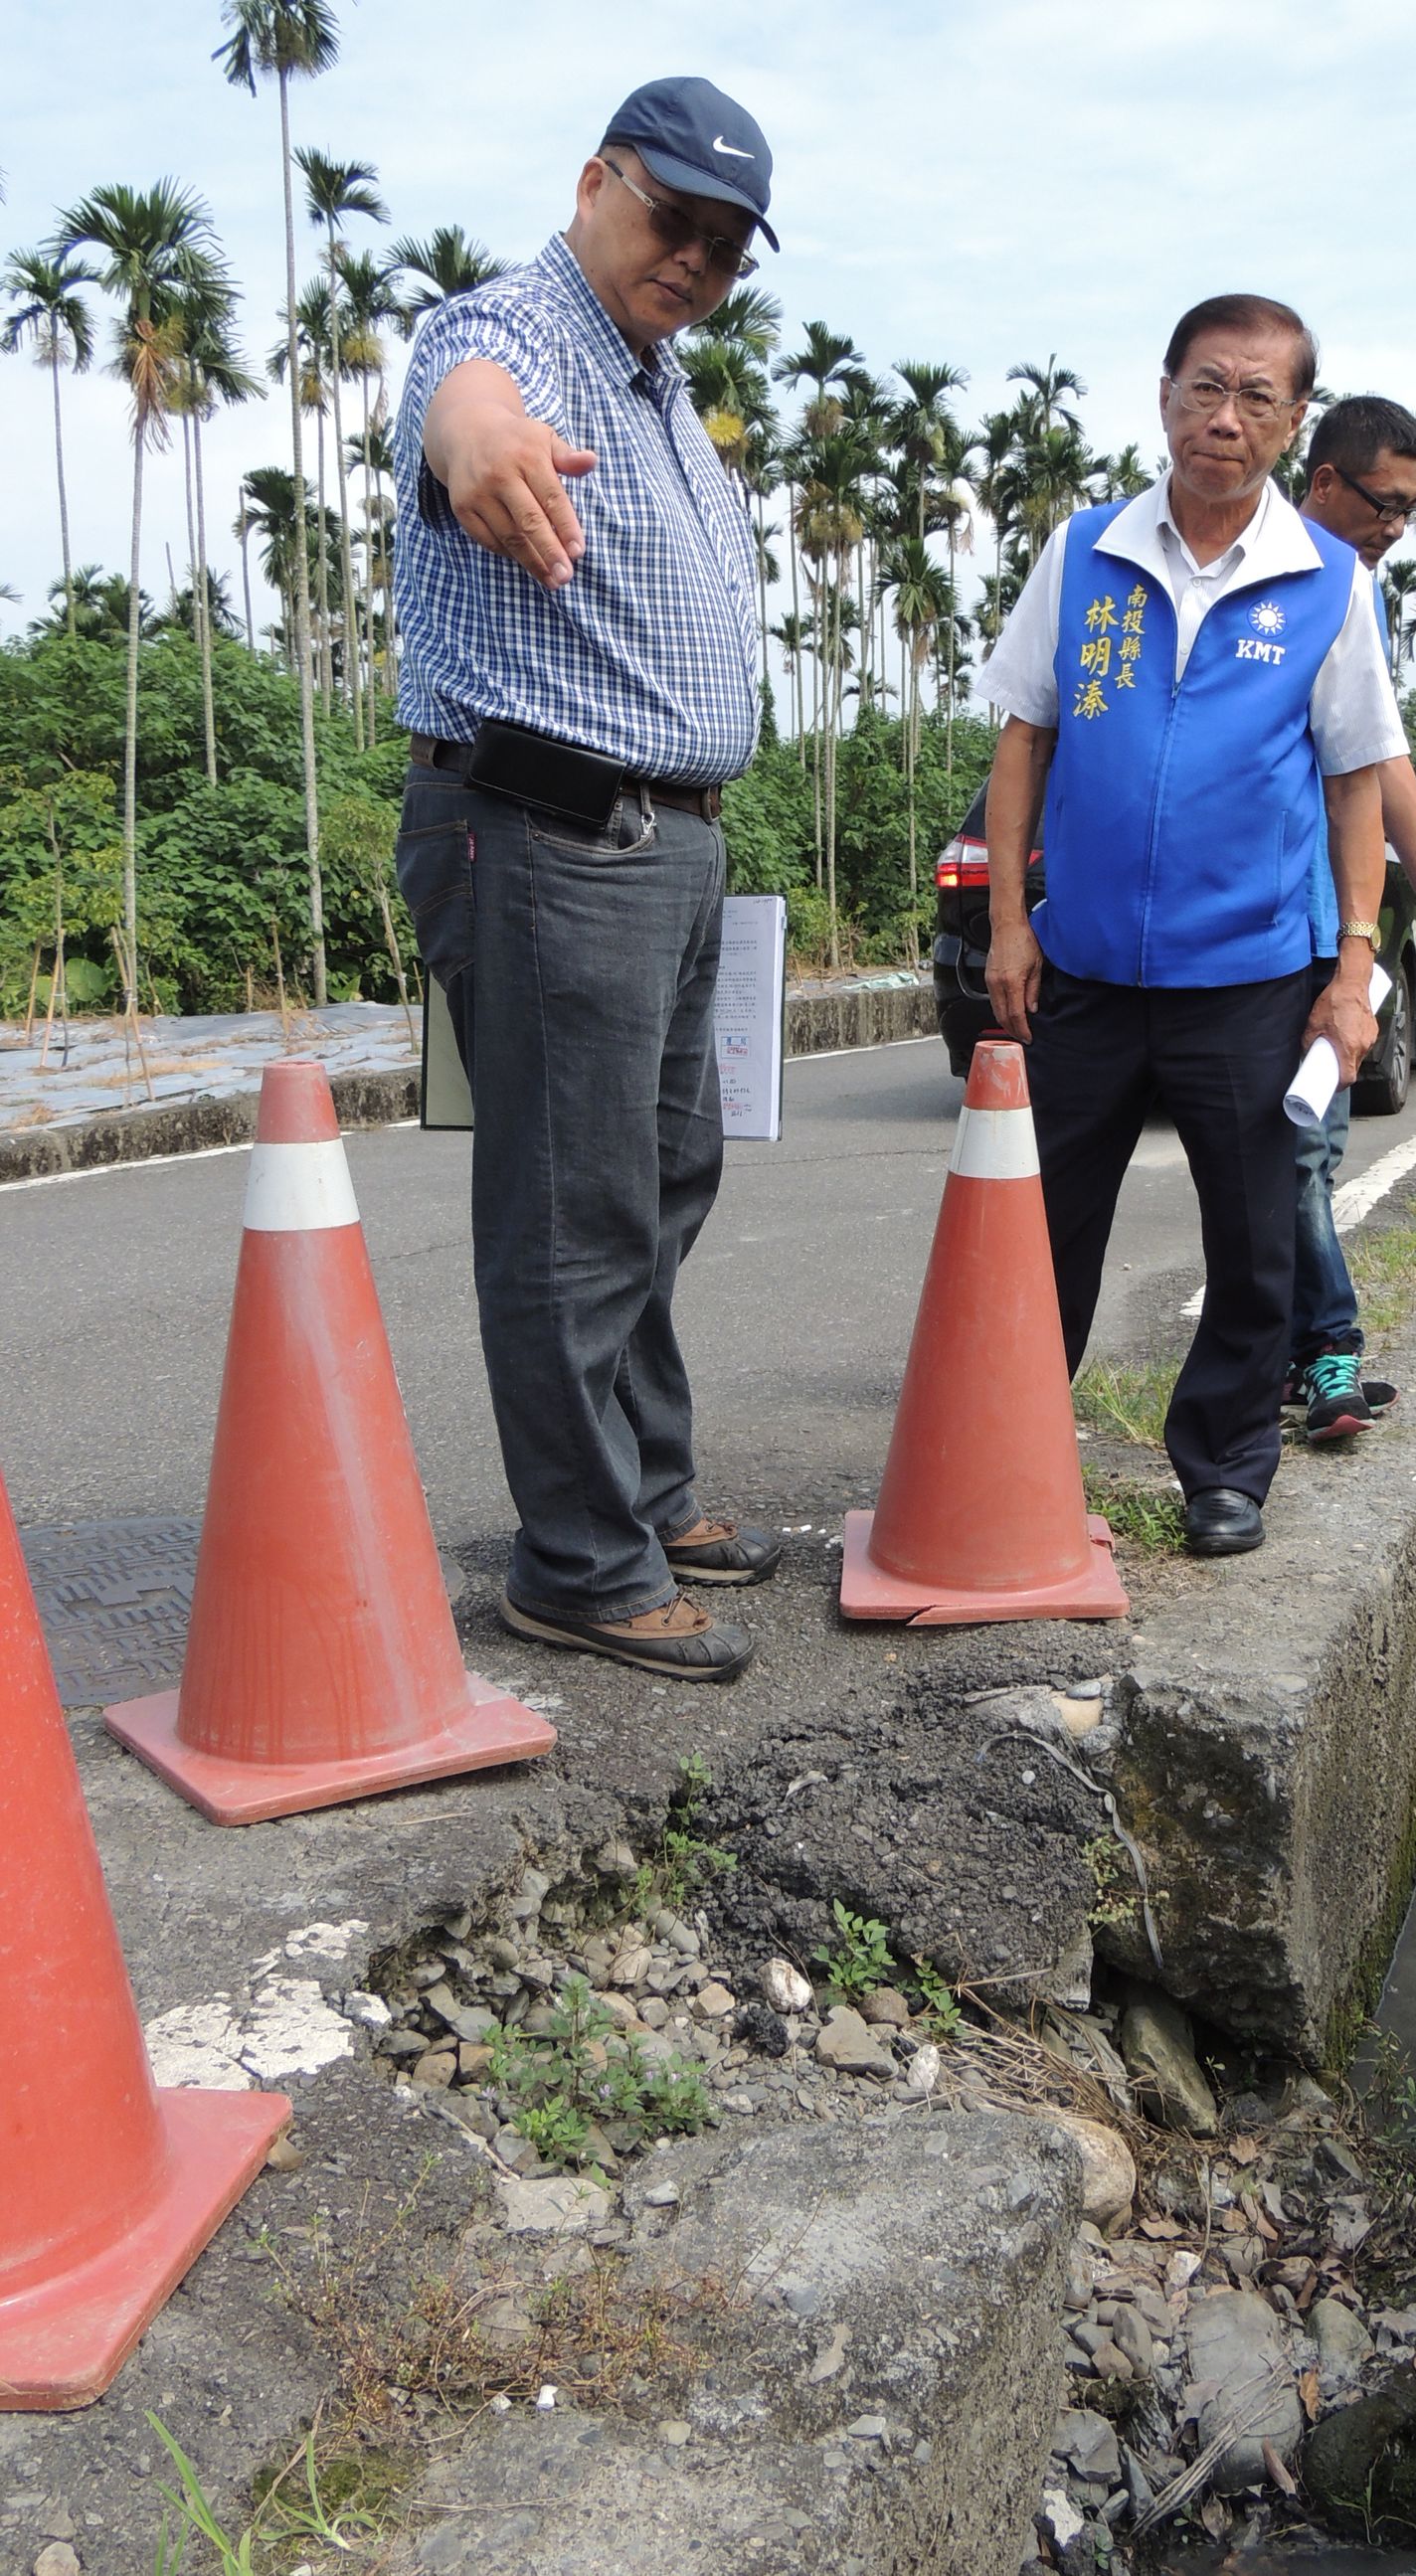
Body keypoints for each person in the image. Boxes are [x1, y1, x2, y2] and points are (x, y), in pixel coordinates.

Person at [390, 77, 782, 1681]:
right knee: (572, 1211)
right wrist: (476, 436)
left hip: (660, 839)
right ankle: (576, 1558)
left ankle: (647, 1488)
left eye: (725, 243)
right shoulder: (517, 328)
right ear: (593, 182)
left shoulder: (655, 381)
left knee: (665, 1175)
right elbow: (462, 398)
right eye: (668, 217)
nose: (691, 257)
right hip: (547, 827)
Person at [978, 292, 1408, 1558]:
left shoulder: (1326, 582)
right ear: (1164, 393)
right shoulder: (1085, 551)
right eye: (1205, 387)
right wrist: (1012, 923)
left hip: (1252, 978)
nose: (1225, 418)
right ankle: (1007, 1452)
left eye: (1257, 397)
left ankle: (1224, 1469)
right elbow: (1023, 739)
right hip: (1088, 971)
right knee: (1041, 1226)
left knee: (1255, 1234)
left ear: (1291, 425)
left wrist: (1352, 967)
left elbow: (1351, 785)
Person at [1290, 397, 1416, 1442]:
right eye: (1384, 503)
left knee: (1303, 1151)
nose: (1394, 527)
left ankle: (1316, 1348)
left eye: (1411, 511)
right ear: (1323, 481)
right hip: (1245, 926)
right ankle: (1316, 1346)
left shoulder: (1346, 594)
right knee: (1284, 1157)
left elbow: (1380, 763)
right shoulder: (1265, 579)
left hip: (1330, 926)